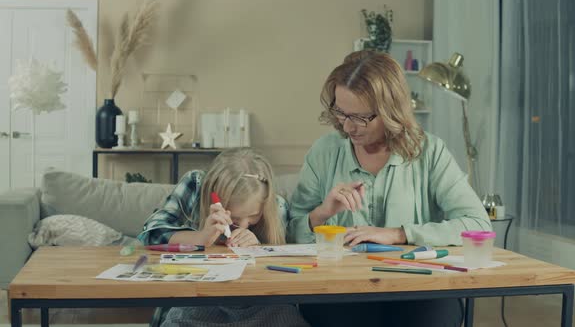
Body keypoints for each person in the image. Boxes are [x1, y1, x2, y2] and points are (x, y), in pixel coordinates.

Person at [287, 50, 492, 327]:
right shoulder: (324, 152)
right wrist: (322, 214)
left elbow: (477, 223)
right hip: (341, 287)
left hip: (419, 287)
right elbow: (289, 229)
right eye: (341, 113)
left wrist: (399, 234)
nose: (348, 127)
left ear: (390, 111)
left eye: (360, 118)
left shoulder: (429, 151)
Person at [139, 148, 310, 327]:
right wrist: (200, 237)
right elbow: (151, 233)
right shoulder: (196, 184)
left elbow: (283, 271)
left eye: (254, 216)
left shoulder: (277, 205)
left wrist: (259, 247)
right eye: (234, 219)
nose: (243, 225)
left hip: (259, 305)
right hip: (197, 301)